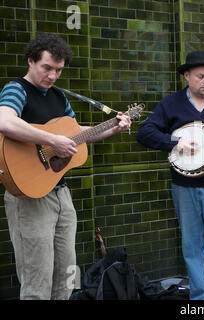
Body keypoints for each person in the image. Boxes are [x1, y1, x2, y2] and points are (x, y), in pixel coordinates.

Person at [0, 33, 132, 299]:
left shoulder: (59, 96)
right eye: (47, 68)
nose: (52, 76)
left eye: (58, 70)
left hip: (61, 194)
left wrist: (112, 128)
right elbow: (5, 121)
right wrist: (51, 140)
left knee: (66, 276)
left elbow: (76, 134)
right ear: (31, 61)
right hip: (29, 198)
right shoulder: (16, 89)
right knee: (37, 279)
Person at [136, 50, 204, 300]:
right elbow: (144, 133)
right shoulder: (171, 104)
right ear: (187, 76)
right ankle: (199, 298)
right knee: (191, 246)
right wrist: (175, 142)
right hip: (184, 187)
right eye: (200, 76)